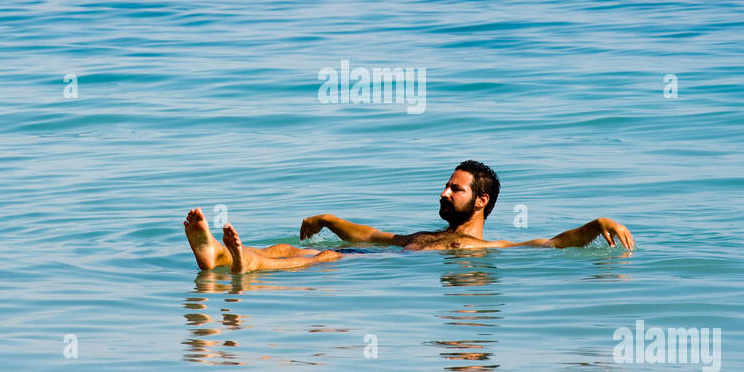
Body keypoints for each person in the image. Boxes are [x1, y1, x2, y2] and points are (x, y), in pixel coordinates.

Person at [184, 160, 634, 274]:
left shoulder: (483, 248)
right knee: (296, 249)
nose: (444, 191)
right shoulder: (424, 233)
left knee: (324, 260)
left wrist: (596, 226)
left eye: (455, 188)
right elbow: (374, 234)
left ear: (481, 202)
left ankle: (249, 264)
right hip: (377, 256)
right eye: (446, 184)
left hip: (376, 270)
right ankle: (220, 257)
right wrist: (328, 218)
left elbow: (553, 244)